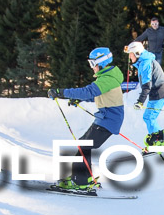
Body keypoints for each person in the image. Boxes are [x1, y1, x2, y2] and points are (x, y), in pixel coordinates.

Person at [47, 47, 124, 192]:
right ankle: (83, 177)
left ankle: (81, 181)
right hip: (106, 117)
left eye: (92, 63)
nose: (91, 67)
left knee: (83, 146)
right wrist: (79, 100)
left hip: (109, 119)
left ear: (100, 63)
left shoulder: (107, 78)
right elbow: (95, 94)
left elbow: (88, 91)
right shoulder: (108, 76)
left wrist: (61, 92)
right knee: (84, 145)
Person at [124, 41, 164, 135]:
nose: (130, 57)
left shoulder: (145, 63)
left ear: (137, 53)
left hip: (160, 92)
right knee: (148, 117)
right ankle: (156, 139)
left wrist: (140, 101)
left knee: (149, 117)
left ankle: (158, 140)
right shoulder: (143, 61)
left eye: (131, 54)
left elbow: (147, 85)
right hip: (157, 92)